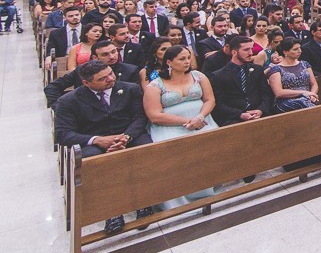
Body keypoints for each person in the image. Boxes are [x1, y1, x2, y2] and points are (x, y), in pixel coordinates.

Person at [54, 59, 154, 232]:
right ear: (86, 83)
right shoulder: (68, 101)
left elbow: (139, 118)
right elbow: (63, 134)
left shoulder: (130, 89)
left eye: (110, 73)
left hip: (127, 135)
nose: (110, 79)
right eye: (102, 79)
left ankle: (144, 202)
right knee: (93, 160)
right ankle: (111, 211)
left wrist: (126, 137)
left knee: (146, 149)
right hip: (94, 140)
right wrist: (97, 140)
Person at [143, 45, 220, 208]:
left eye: (188, 58)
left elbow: (210, 99)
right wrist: (186, 121)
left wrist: (200, 117)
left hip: (202, 121)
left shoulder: (199, 76)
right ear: (169, 62)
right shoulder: (155, 85)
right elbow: (154, 115)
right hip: (170, 126)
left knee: (211, 146)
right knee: (175, 155)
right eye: (182, 59)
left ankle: (207, 190)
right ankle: (180, 198)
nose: (187, 61)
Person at [44, 39, 140, 106]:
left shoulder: (130, 70)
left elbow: (134, 98)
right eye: (105, 54)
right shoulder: (82, 70)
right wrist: (59, 108)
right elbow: (52, 87)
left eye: (113, 52)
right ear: (95, 57)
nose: (112, 57)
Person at [208, 36, 271, 127]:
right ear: (234, 52)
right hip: (233, 119)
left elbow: (266, 94)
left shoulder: (257, 70)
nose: (251, 53)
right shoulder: (218, 76)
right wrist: (240, 114)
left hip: (260, 115)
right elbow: (219, 104)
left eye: (251, 49)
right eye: (246, 50)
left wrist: (261, 110)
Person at [265, 38, 320, 112]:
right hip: (286, 101)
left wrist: (312, 94)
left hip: (307, 98)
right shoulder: (276, 69)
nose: (300, 51)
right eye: (295, 49)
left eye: (300, 48)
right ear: (285, 52)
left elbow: (314, 84)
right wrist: (303, 93)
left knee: (306, 102)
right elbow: (279, 92)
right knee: (302, 102)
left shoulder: (304, 64)